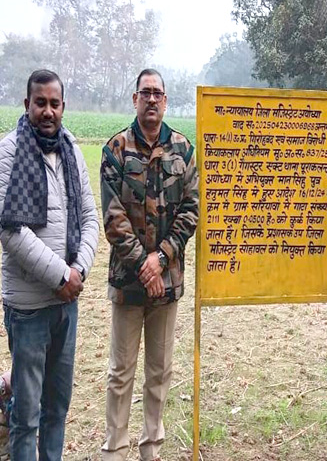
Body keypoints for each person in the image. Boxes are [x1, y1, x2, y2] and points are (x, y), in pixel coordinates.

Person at [0, 69, 99, 461]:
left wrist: (79, 272)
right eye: (40, 102)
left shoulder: (70, 149)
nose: (47, 111)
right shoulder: (9, 151)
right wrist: (60, 275)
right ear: (27, 104)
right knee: (26, 416)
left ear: (63, 106)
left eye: (54, 104)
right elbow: (10, 230)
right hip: (28, 309)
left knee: (57, 408)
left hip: (66, 305)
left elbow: (90, 218)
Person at [100, 68, 199, 461]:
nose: (152, 99)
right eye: (146, 92)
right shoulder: (115, 149)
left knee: (159, 372)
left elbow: (191, 211)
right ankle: (115, 450)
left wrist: (161, 259)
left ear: (166, 101)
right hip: (128, 283)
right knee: (120, 373)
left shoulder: (183, 150)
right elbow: (114, 218)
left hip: (167, 283)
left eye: (158, 93)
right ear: (135, 99)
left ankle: (151, 449)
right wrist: (145, 265)